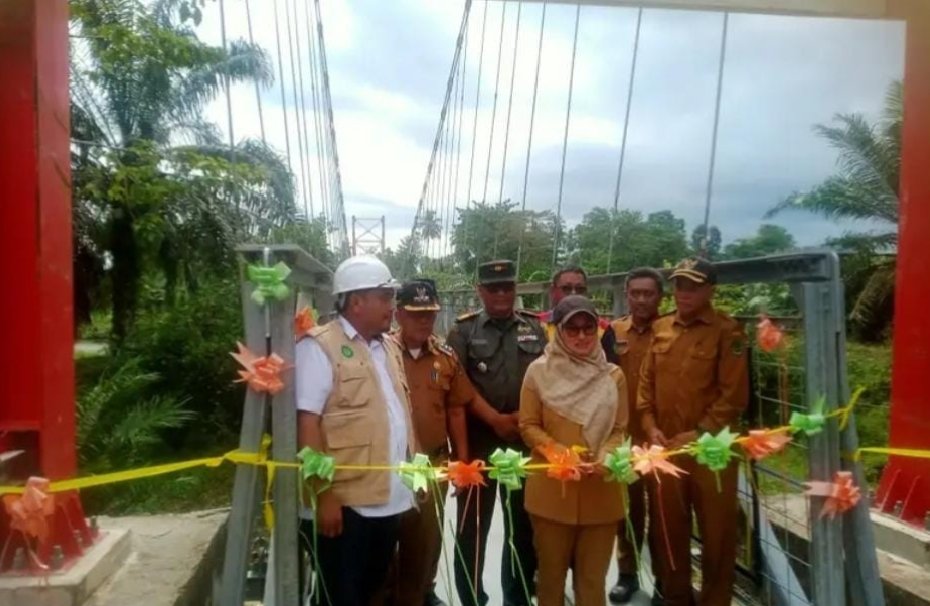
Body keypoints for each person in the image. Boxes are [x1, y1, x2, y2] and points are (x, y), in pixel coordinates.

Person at [295, 255, 416, 606]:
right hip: (345, 507)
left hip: (388, 500)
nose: (393, 306)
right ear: (356, 301)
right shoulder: (318, 347)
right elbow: (307, 425)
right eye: (385, 297)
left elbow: (399, 415)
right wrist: (324, 493)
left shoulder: (388, 346)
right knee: (340, 596)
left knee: (369, 592)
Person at [637, 257, 749, 606]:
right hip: (667, 447)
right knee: (668, 529)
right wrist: (649, 425)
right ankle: (677, 597)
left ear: (710, 290)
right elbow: (645, 383)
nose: (683, 293)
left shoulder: (728, 331)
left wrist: (699, 433)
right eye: (679, 285)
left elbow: (734, 396)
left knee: (718, 533)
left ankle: (715, 600)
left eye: (693, 286)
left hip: (710, 451)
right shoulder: (661, 327)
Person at [446, 259, 546, 606]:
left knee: (521, 527)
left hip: (522, 442)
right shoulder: (463, 332)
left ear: (515, 289)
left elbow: (546, 378)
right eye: (493, 288)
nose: (501, 294)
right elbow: (457, 385)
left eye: (507, 287)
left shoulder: (536, 328)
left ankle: (515, 598)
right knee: (471, 529)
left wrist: (525, 417)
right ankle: (472, 598)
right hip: (479, 445)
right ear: (480, 291)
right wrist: (494, 420)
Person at [520, 295, 629, 606]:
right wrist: (559, 453)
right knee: (550, 579)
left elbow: (619, 429)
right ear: (558, 331)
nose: (581, 336)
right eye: (572, 329)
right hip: (552, 493)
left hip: (601, 491)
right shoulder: (538, 372)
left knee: (592, 583)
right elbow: (528, 425)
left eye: (588, 328)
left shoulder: (613, 376)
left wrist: (607, 456)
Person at [387, 278, 475, 606]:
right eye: (416, 313)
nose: (424, 320)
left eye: (430, 314)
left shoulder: (445, 357)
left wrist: (462, 462)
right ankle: (389, 593)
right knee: (387, 534)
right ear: (398, 314)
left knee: (427, 535)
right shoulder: (381, 353)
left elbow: (456, 410)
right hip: (391, 465)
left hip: (434, 463)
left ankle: (424, 589)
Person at [602, 268, 665, 605]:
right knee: (628, 510)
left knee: (665, 512)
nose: (641, 300)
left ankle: (666, 581)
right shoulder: (614, 332)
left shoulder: (670, 331)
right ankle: (627, 575)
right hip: (625, 437)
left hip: (661, 438)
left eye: (648, 293)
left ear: (660, 297)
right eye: (635, 293)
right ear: (626, 295)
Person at [539, 266, 609, 341]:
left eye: (580, 289)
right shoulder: (537, 324)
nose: (573, 293)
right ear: (553, 291)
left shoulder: (603, 328)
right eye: (566, 288)